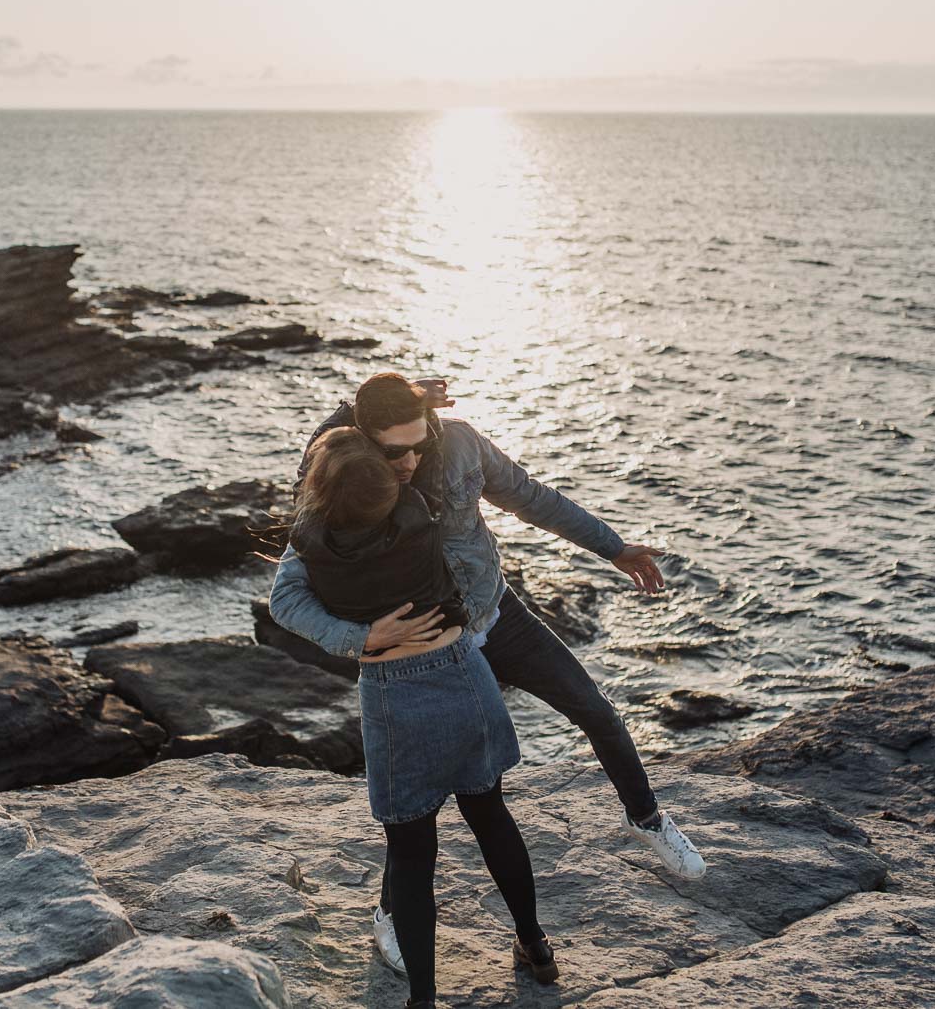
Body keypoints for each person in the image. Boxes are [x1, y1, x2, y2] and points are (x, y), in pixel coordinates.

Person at [271, 373, 706, 976]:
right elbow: (289, 591)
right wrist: (362, 639)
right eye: (393, 449)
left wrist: (613, 548)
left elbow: (532, 497)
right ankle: (391, 916)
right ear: (363, 437)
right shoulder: (348, 479)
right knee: (414, 811)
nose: (409, 459)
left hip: (496, 615)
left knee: (595, 709)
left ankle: (649, 822)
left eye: (419, 442)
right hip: (426, 653)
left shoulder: (461, 445)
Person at [286, 426, 557, 1008]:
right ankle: (535, 945)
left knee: (411, 854)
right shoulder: (421, 510)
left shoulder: (310, 540)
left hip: (393, 692)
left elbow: (286, 599)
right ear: (387, 480)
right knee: (490, 813)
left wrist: (361, 637)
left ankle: (424, 1000)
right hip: (464, 670)